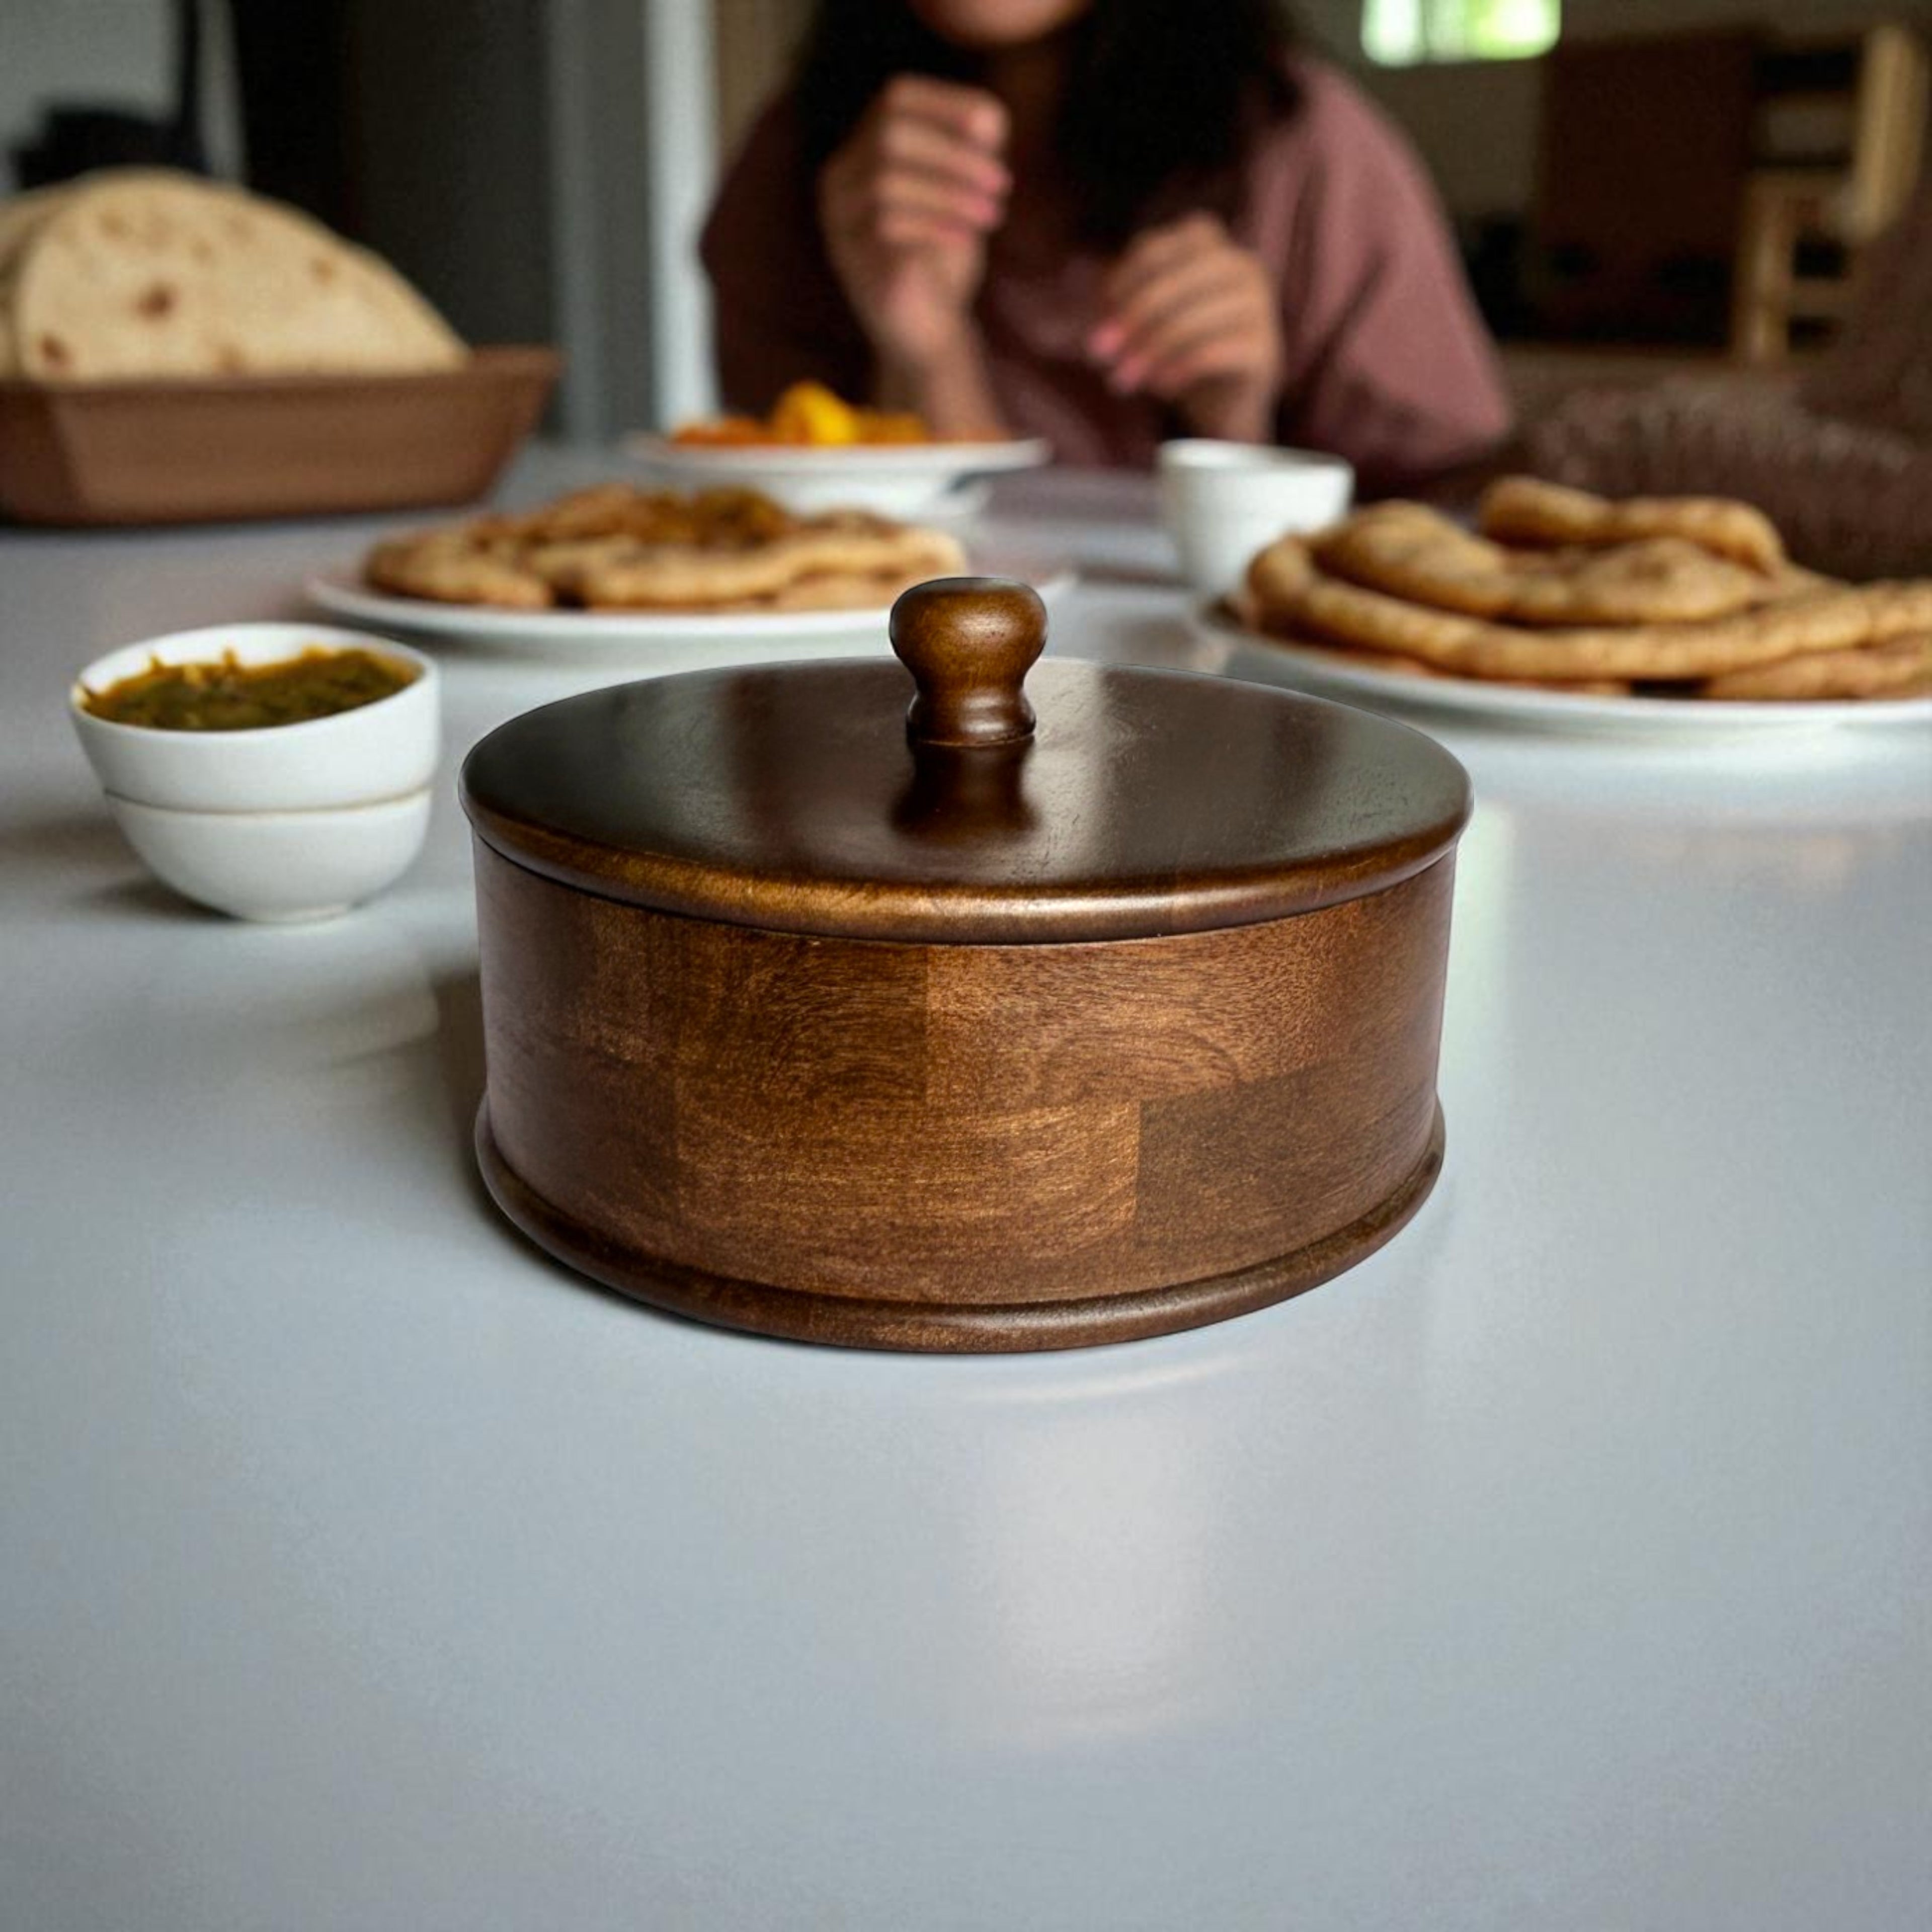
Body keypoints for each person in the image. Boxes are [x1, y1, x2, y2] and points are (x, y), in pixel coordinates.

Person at [701, 0, 1512, 494]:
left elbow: (1457, 515)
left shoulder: (1307, 149)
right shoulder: (796, 163)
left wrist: (1234, 430)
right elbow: (807, 540)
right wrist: (926, 355)